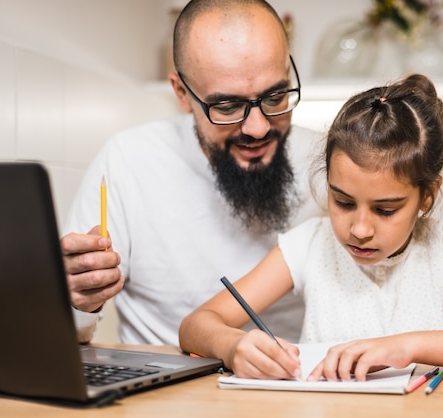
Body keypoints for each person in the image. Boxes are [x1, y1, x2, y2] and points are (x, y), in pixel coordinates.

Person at [178, 74, 443, 382]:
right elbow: (196, 325)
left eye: (385, 209)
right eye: (342, 202)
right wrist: (232, 346)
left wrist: (406, 346)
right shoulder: (310, 244)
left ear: (427, 197)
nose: (359, 228)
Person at [61, 0, 323, 345]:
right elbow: (64, 337)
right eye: (228, 106)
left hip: (294, 387)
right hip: (160, 390)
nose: (258, 128)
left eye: (275, 97)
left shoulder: (329, 163)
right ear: (182, 94)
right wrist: (78, 301)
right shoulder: (129, 160)